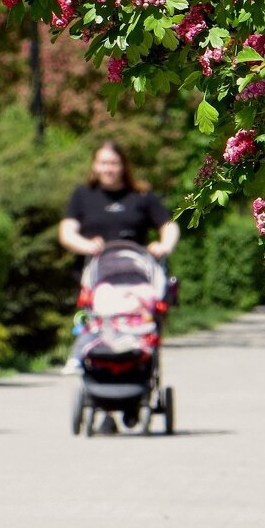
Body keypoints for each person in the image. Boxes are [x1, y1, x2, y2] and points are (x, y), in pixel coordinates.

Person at [58, 140, 179, 431]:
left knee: (138, 336)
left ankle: (134, 398)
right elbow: (66, 230)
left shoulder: (141, 196)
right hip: (98, 283)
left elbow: (168, 224)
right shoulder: (83, 195)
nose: (108, 169)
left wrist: (163, 246)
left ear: (123, 165)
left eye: (113, 163)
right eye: (102, 162)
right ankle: (106, 407)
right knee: (98, 333)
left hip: (136, 283)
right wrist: (86, 245)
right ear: (94, 165)